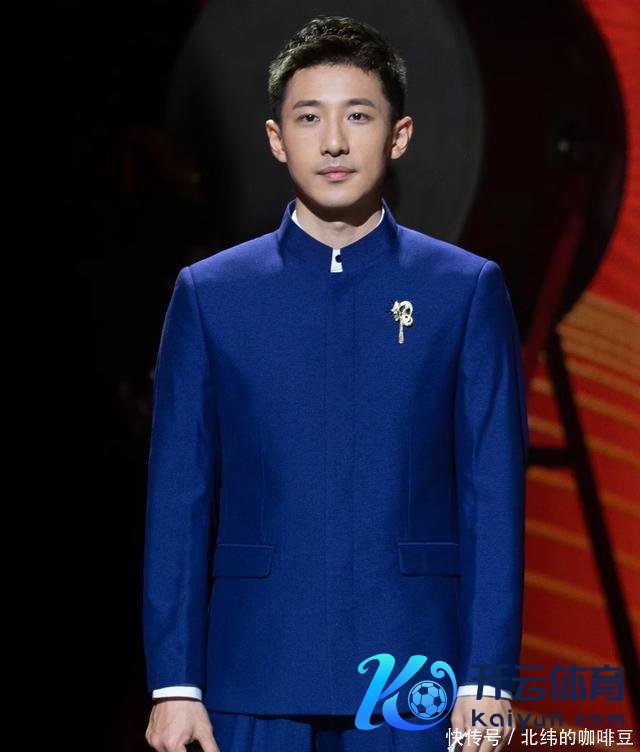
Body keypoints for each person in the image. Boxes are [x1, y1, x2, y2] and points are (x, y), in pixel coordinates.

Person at [143, 15, 529, 752]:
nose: (333, 143)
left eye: (358, 116)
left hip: (413, 671)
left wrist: (487, 678)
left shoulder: (463, 289)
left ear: (399, 135)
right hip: (252, 665)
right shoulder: (211, 294)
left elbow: (492, 493)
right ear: (275, 138)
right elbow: (178, 497)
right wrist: (175, 682)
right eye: (308, 118)